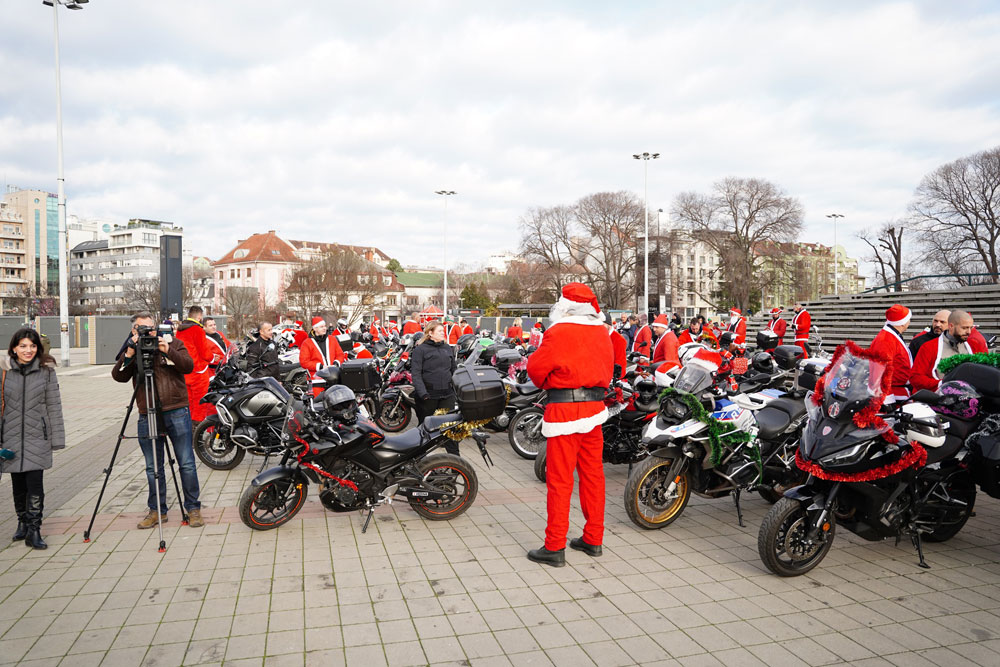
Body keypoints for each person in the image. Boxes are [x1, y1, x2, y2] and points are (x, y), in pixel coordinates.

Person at [526, 283, 613, 567]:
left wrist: (553, 382)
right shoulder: (602, 332)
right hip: (594, 410)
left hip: (564, 411)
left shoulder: (559, 331)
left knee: (560, 481)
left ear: (564, 304)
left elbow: (536, 370)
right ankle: (593, 539)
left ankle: (554, 546)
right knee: (593, 477)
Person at [112, 312, 204, 529]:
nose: (148, 333)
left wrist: (168, 350)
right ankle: (157, 511)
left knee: (186, 463)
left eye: (151, 328)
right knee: (153, 466)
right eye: (142, 329)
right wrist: (129, 353)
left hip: (176, 410)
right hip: (148, 413)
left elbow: (188, 366)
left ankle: (193, 509)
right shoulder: (133, 349)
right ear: (134, 331)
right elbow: (119, 376)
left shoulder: (173, 343)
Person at [1, 328, 65, 549]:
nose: (28, 350)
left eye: (32, 346)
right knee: (18, 484)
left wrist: (57, 438)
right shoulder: (3, 371)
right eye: (23, 346)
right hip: (10, 437)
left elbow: (54, 406)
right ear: (14, 348)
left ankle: (34, 530)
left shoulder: (46, 372)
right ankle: (22, 522)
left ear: (38, 348)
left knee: (35, 485)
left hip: (38, 436)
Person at [410, 320, 459, 455]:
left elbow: (453, 370)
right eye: (440, 331)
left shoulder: (447, 348)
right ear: (430, 333)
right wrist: (423, 393)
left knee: (449, 428)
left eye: (443, 331)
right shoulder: (420, 350)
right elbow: (416, 373)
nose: (443, 333)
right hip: (428, 396)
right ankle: (419, 458)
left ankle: (455, 460)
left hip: (447, 395)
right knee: (425, 430)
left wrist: (456, 389)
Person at [911, 310, 988, 392]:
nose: (968, 332)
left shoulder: (975, 345)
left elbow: (985, 371)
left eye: (970, 328)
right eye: (964, 328)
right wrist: (943, 384)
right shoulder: (928, 347)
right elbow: (916, 378)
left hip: (971, 395)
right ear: (951, 326)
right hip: (939, 396)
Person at [175, 306, 215, 424]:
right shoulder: (197, 329)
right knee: (200, 402)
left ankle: (187, 425)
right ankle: (198, 427)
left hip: (184, 369)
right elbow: (204, 352)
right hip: (198, 371)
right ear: (199, 317)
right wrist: (213, 358)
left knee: (188, 401)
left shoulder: (180, 329)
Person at [868, 305, 914, 404]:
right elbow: (880, 372)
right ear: (903, 322)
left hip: (899, 392)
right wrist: (887, 399)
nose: (909, 322)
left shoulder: (891, 336)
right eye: (908, 319)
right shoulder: (885, 340)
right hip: (893, 394)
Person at [300, 316, 346, 396]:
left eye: (325, 326)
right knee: (319, 403)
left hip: (334, 378)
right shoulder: (307, 343)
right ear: (315, 328)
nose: (325, 328)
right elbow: (304, 362)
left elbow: (340, 354)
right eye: (321, 327)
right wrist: (320, 366)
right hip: (317, 381)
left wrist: (336, 363)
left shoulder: (332, 339)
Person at [605, 313, 628, 379]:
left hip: (613, 378)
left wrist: (618, 379)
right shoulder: (603, 336)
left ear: (609, 325)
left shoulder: (618, 339)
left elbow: (620, 363)